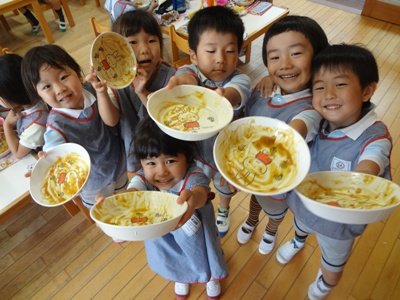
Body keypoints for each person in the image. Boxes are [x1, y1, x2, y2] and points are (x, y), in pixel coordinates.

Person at [277, 43, 392, 300]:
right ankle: (298, 240)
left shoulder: (375, 136)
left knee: (333, 263)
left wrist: (361, 179)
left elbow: (372, 162)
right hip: (307, 199)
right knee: (301, 221)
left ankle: (325, 284)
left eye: (339, 85)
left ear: (367, 91)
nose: (328, 94)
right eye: (319, 87)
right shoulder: (319, 117)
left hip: (338, 219)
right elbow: (301, 122)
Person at [98, 116, 228, 299]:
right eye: (151, 163)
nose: (161, 172)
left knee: (206, 255)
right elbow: (134, 191)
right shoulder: (144, 179)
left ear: (187, 157)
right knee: (176, 259)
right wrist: (122, 203)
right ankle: (182, 276)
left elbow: (199, 192)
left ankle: (211, 277)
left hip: (197, 236)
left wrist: (193, 199)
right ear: (142, 164)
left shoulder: (193, 174)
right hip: (164, 239)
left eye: (170, 161)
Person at [238, 16, 329, 254]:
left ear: (318, 57)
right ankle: (251, 219)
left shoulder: (313, 107)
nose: (285, 64)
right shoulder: (267, 87)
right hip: (256, 167)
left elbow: (298, 128)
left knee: (276, 208)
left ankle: (271, 230)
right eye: (275, 57)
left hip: (280, 177)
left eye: (296, 54)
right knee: (256, 198)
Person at [165, 5, 251, 237]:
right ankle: (193, 207)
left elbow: (236, 92)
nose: (221, 59)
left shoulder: (240, 78)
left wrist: (224, 97)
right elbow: (186, 76)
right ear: (193, 54)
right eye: (211, 51)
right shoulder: (190, 70)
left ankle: (224, 209)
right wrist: (181, 82)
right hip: (196, 152)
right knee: (196, 184)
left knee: (225, 187)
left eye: (230, 51)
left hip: (226, 155)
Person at [21, 44, 127, 208]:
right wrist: (44, 167)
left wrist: (101, 93)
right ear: (38, 95)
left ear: (78, 74)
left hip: (120, 165)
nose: (60, 89)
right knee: (105, 212)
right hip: (94, 183)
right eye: (47, 86)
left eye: (63, 77)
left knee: (126, 200)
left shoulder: (92, 90)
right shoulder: (56, 125)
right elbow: (53, 153)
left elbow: (112, 120)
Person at [101, 9, 175, 173]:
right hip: (134, 154)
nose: (144, 49)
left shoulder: (170, 77)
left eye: (151, 40)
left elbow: (165, 118)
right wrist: (101, 93)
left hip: (167, 156)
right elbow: (111, 120)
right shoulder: (116, 81)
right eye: (133, 43)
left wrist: (142, 92)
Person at [0, 54, 49, 159]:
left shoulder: (37, 125)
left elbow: (17, 153)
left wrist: (7, 125)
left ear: (13, 96)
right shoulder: (33, 100)